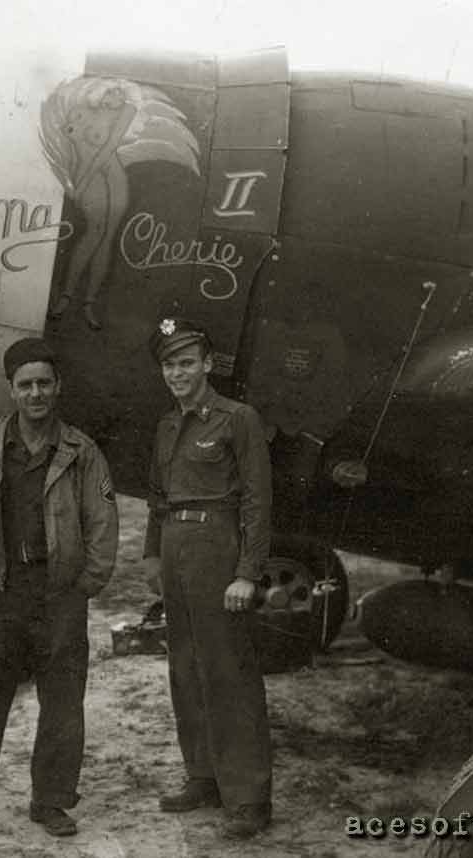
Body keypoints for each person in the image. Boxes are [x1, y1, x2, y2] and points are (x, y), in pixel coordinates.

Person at [0, 338, 119, 855]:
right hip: (1, 595)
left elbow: (102, 524)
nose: (35, 393)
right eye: (25, 384)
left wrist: (87, 584)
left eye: (43, 383)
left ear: (57, 388)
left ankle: (51, 801)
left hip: (60, 597)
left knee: (63, 706)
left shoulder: (82, 452)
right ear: (12, 391)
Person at [140, 317, 274, 840]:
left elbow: (258, 503)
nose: (177, 372)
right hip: (175, 547)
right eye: (170, 364)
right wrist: (152, 555)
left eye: (187, 362)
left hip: (217, 547)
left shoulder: (237, 419)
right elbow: (157, 496)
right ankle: (204, 776)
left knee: (228, 670)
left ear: (208, 365)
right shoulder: (167, 426)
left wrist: (247, 573)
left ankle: (249, 797)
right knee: (184, 665)